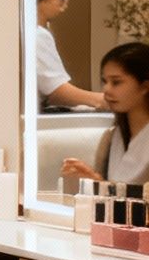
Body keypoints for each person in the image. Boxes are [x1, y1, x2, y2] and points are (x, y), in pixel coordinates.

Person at [63, 42, 149, 185]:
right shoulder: (111, 137)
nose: (106, 89)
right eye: (104, 81)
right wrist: (94, 181)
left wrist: (99, 184)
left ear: (145, 86)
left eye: (116, 82)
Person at [34, 0, 108, 110]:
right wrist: (102, 100)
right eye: (61, 0)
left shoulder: (40, 32)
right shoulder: (37, 35)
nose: (65, 7)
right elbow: (57, 92)